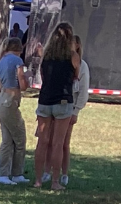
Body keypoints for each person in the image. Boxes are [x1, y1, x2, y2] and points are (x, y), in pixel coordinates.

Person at [32, 22, 75, 191]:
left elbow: (43, 77)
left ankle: (38, 180)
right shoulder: (73, 56)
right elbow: (75, 76)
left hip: (45, 100)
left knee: (42, 142)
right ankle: (55, 181)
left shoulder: (46, 57)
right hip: (63, 101)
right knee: (58, 143)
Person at [0, 36, 28, 186]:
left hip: (2, 99)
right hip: (11, 101)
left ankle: (2, 173)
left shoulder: (1, 61)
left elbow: (2, 83)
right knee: (20, 137)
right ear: (19, 48)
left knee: (7, 140)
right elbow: (23, 84)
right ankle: (16, 172)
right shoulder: (18, 61)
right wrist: (28, 78)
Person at [57, 35, 89, 188]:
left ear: (77, 46)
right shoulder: (60, 62)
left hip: (70, 107)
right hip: (57, 105)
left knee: (64, 143)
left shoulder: (82, 66)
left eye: (72, 44)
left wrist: (76, 111)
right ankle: (48, 171)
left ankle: (64, 174)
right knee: (51, 141)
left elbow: (83, 91)